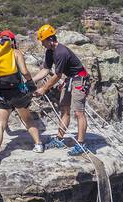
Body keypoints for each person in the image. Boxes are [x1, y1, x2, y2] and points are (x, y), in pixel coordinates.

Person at [0, 30, 43, 165]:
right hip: (17, 93)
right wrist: (30, 84)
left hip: (1, 93)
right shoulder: (15, 53)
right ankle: (38, 145)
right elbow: (24, 72)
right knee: (27, 119)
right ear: (12, 41)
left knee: (0, 125)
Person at [32, 24, 90, 156]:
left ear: (50, 40)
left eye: (43, 41)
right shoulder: (50, 52)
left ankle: (81, 144)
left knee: (78, 113)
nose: (42, 44)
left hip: (80, 80)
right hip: (70, 79)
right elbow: (46, 70)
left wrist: (44, 89)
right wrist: (32, 81)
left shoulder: (61, 52)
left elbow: (57, 75)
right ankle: (59, 139)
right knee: (64, 109)